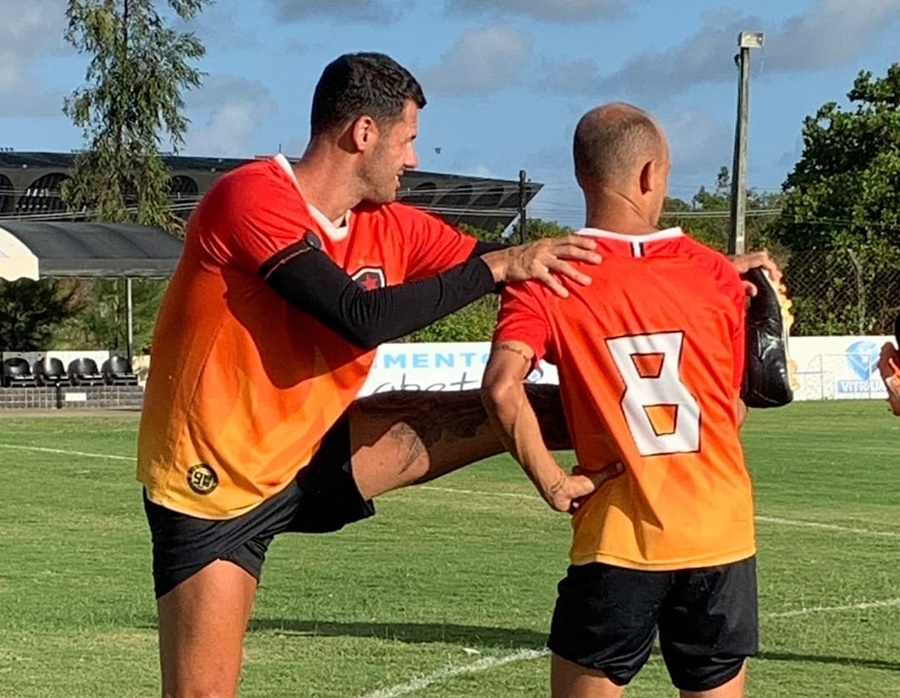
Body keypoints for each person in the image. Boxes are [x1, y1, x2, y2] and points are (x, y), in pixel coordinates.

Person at [137, 51, 609, 698]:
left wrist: (711, 279)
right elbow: (357, 316)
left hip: (319, 448)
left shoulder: (390, 226)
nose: (413, 159)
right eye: (408, 140)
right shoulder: (249, 197)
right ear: (364, 133)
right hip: (212, 485)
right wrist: (495, 268)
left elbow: (541, 280)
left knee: (550, 406)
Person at [482, 103, 759, 698]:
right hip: (720, 534)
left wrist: (554, 481)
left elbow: (502, 389)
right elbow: (730, 410)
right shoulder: (716, 275)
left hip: (618, 536)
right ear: (650, 175)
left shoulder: (547, 276)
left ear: (583, 176)